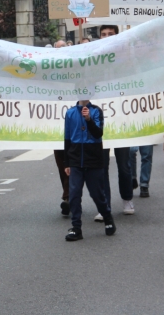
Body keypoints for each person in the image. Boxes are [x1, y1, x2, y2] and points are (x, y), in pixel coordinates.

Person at [95, 25, 135, 221]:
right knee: (101, 166)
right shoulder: (92, 59)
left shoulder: (125, 60)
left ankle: (127, 198)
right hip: (99, 122)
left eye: (111, 34)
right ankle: (104, 205)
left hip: (121, 120)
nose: (107, 37)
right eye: (103, 34)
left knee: (124, 164)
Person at [63, 99, 116, 241]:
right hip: (75, 159)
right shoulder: (70, 113)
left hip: (93, 158)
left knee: (97, 194)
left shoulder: (96, 111)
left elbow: (98, 133)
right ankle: (76, 228)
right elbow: (67, 138)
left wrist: (88, 119)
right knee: (74, 194)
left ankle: (107, 217)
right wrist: (66, 163)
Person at [52, 38, 70, 215]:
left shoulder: (76, 68)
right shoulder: (49, 71)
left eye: (62, 49)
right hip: (55, 124)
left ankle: (68, 196)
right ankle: (68, 194)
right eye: (56, 50)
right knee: (60, 161)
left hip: (74, 123)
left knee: (72, 159)